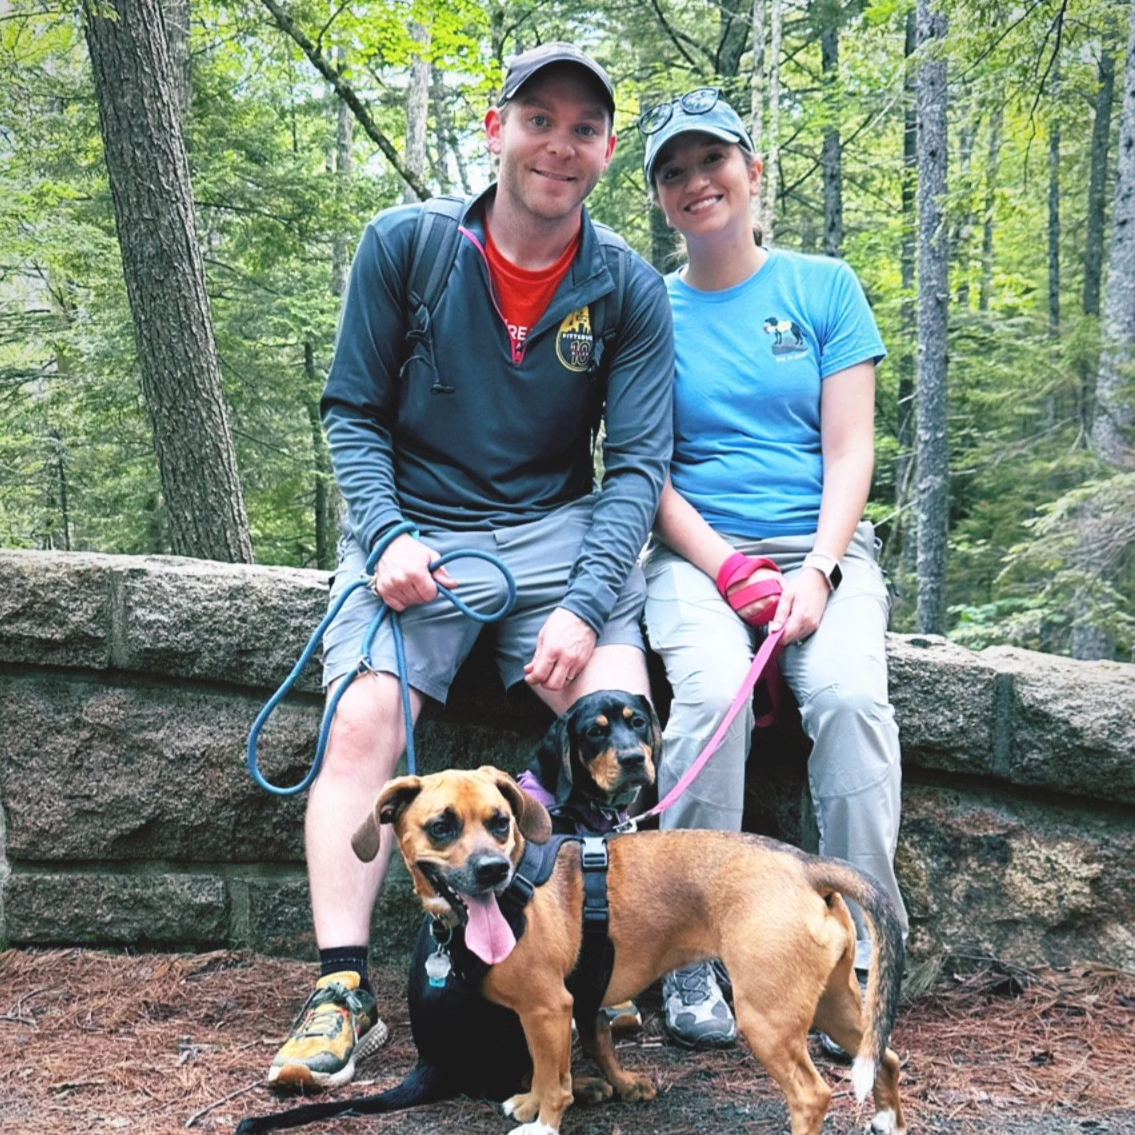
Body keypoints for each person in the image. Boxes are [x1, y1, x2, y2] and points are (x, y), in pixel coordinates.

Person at [267, 44, 673, 1089]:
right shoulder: (406, 246)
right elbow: (351, 410)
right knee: (360, 719)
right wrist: (388, 531)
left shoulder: (625, 285)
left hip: (555, 537)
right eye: (538, 118)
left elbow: (634, 468)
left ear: (608, 151)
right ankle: (341, 991)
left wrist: (586, 607)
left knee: (618, 718)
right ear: (495, 130)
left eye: (584, 128)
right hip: (416, 536)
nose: (559, 143)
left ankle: (596, 979)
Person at [638, 89, 908, 1050]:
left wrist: (821, 571)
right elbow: (643, 467)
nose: (695, 182)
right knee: (708, 695)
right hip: (694, 556)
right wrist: (725, 568)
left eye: (711, 161)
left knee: (847, 702)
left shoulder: (823, 286)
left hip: (822, 552)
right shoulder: (646, 307)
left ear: (752, 172)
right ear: (660, 199)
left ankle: (857, 951)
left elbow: (850, 449)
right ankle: (691, 958)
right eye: (673, 171)